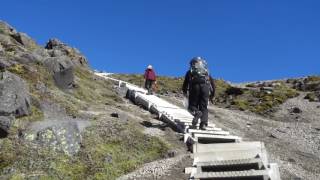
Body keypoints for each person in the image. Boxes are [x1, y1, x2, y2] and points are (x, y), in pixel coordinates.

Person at [182, 57, 215, 130]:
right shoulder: (206, 72)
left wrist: (185, 92)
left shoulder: (190, 72)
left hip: (194, 88)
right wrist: (212, 95)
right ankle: (203, 124)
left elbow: (185, 84)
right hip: (205, 88)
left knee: (192, 105)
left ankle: (197, 112)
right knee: (204, 107)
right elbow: (212, 84)